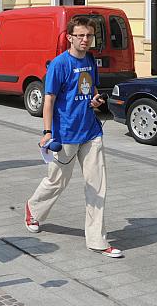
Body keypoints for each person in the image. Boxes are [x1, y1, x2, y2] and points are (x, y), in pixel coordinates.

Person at [24, 16, 123, 259]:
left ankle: (97, 240)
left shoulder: (90, 60)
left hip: (91, 131)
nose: (85, 40)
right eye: (80, 35)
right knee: (57, 181)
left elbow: (91, 90)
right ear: (70, 37)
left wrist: (97, 101)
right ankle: (33, 209)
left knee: (97, 186)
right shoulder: (59, 64)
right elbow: (49, 99)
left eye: (89, 35)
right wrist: (47, 132)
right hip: (66, 133)